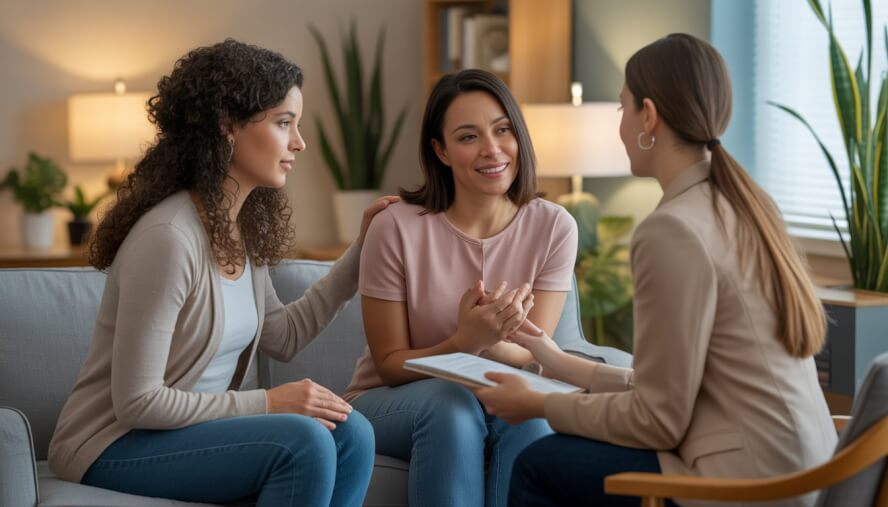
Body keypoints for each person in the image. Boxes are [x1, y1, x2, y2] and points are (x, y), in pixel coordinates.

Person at [474, 33, 837, 507]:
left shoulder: (672, 231)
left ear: (650, 115)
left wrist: (539, 404)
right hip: (802, 468)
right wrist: (559, 362)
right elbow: (671, 390)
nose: (621, 126)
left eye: (622, 109)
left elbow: (657, 419)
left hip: (749, 484)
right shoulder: (744, 204)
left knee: (538, 467)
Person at [48, 39, 398, 507]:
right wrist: (269, 403)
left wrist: (359, 252)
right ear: (226, 125)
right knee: (304, 441)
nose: (300, 142)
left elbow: (283, 336)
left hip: (189, 432)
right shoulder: (169, 239)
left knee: (351, 431)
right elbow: (138, 402)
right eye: (283, 123)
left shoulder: (237, 229)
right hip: (110, 444)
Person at [340, 68, 578, 507]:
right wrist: (464, 341)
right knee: (451, 403)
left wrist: (486, 341)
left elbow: (530, 355)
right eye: (468, 137)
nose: (492, 149)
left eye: (502, 130)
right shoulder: (396, 227)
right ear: (441, 151)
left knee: (525, 411)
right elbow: (390, 365)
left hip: (494, 388)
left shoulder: (554, 227)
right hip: (390, 401)